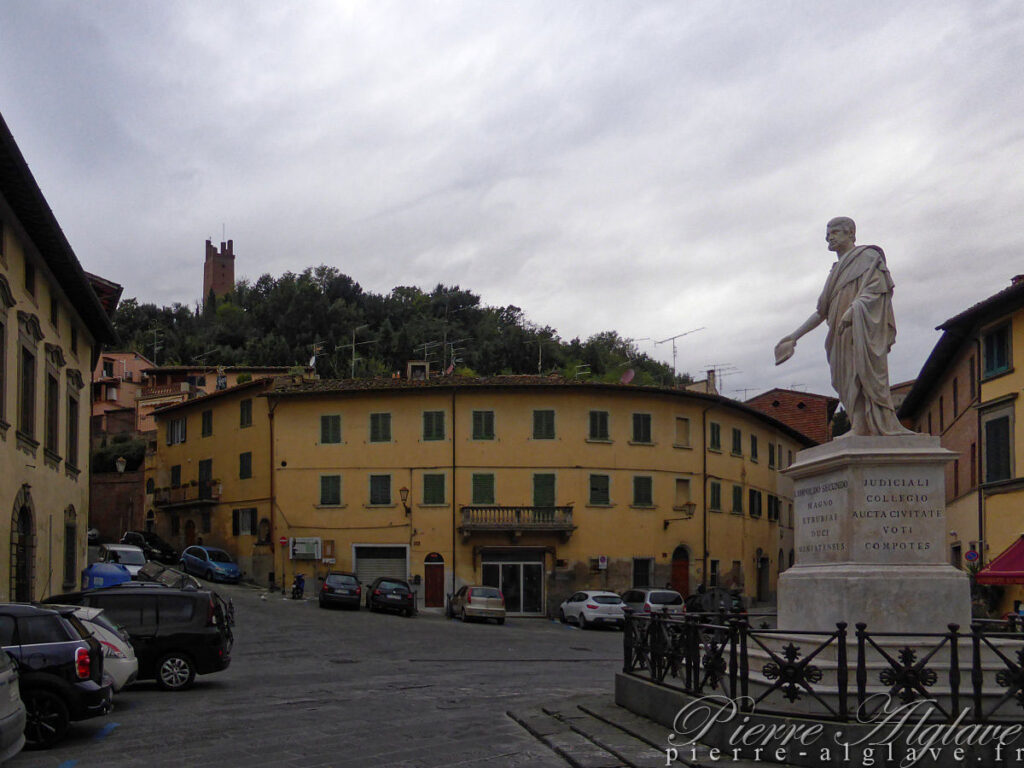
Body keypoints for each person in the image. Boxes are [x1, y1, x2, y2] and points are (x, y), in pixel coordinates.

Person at [775, 217, 911, 437]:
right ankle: (858, 423)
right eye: (828, 233)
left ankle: (868, 425)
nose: (830, 237)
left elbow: (878, 289)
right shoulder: (836, 271)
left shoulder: (868, 258)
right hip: (839, 334)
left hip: (862, 329)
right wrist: (794, 336)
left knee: (862, 373)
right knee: (846, 378)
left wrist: (854, 309)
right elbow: (822, 311)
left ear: (851, 234)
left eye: (835, 232)